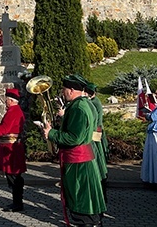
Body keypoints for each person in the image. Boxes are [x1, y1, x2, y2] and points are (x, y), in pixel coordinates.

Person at [44, 75, 106, 226]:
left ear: (71, 90)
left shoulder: (78, 108)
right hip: (83, 161)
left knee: (82, 210)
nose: (62, 92)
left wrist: (51, 134)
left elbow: (75, 138)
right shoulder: (82, 104)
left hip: (79, 165)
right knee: (88, 212)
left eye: (64, 89)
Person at [84, 82, 108, 201]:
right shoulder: (93, 102)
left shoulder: (94, 103)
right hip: (95, 132)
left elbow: (96, 121)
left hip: (95, 134)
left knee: (98, 158)